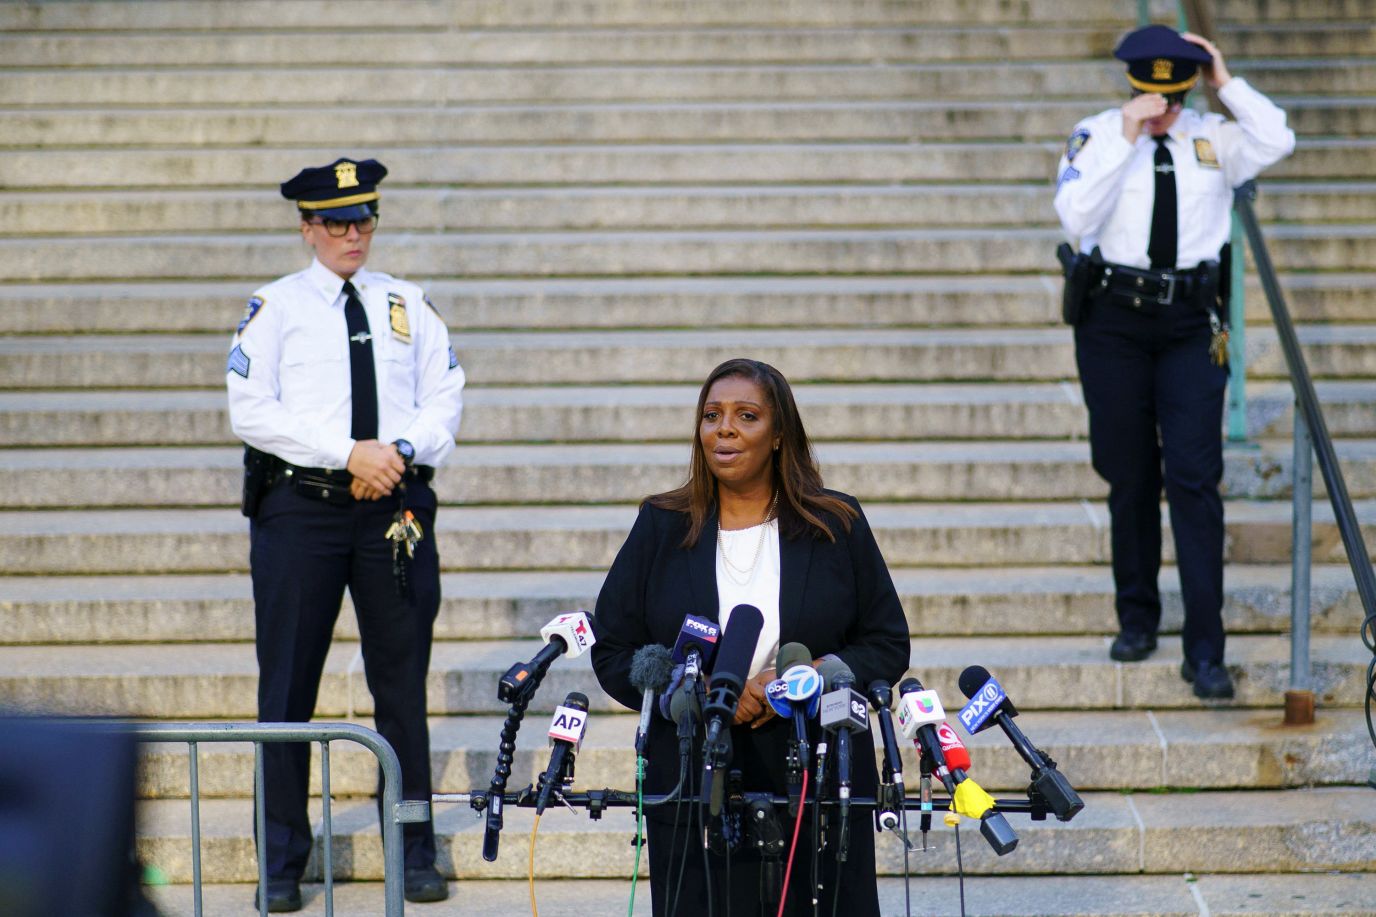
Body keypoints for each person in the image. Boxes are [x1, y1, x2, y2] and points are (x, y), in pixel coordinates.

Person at [226, 158, 465, 910]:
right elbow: (251, 409)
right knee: (287, 683)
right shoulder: (276, 307)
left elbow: (445, 392)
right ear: (307, 228)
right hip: (302, 510)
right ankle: (281, 864)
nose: (353, 233)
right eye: (336, 221)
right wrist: (347, 452)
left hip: (389, 506)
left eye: (364, 218)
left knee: (401, 683)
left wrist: (392, 454)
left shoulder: (407, 302)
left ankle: (414, 846)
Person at [591, 358, 910, 916]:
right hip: (695, 773)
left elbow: (886, 643)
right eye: (712, 415)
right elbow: (614, 648)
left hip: (815, 768)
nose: (725, 429)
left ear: (779, 433)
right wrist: (696, 690)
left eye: (746, 415)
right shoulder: (661, 525)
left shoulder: (835, 523)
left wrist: (795, 682)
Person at [1054, 26, 1295, 699]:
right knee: (1129, 473)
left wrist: (1226, 81)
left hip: (1192, 323)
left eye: (1173, 94)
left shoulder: (1214, 136)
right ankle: (1137, 615)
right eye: (1149, 94)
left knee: (1194, 478)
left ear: (1186, 87)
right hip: (1114, 323)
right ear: (1133, 86)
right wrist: (1127, 138)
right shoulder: (1097, 135)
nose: (1161, 106)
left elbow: (1279, 138)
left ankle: (1206, 648)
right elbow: (1075, 216)